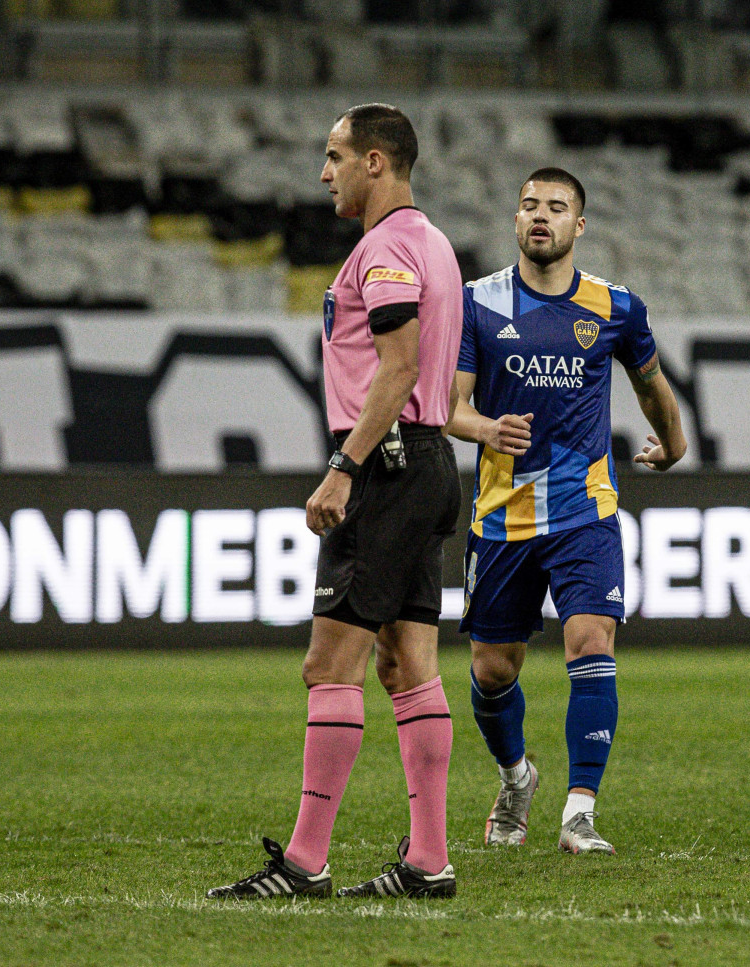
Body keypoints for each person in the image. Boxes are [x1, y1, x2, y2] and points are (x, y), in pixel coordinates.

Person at [208, 104, 464, 900]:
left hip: (385, 467)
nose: (326, 173)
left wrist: (343, 467)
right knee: (408, 662)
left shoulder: (385, 250)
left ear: (376, 162)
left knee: (331, 663)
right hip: (427, 463)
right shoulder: (436, 245)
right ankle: (428, 861)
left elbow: (397, 368)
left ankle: (305, 860)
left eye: (335, 156)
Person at [445, 167, 686, 855]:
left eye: (555, 207)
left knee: (592, 642)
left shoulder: (615, 307)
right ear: (514, 221)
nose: (539, 217)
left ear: (580, 225)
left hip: (586, 508)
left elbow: (652, 384)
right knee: (494, 669)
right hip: (502, 517)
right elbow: (450, 407)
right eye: (528, 205)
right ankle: (517, 777)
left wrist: (673, 442)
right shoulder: (477, 303)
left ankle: (579, 812)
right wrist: (487, 429)